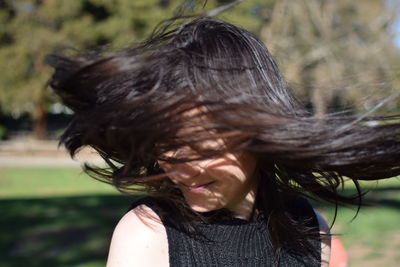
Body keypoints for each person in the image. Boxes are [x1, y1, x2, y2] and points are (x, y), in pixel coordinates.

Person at [46, 17, 400, 267]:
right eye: (165, 140)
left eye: (202, 141)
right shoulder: (148, 235)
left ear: (256, 132)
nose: (178, 164)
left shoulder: (310, 229)